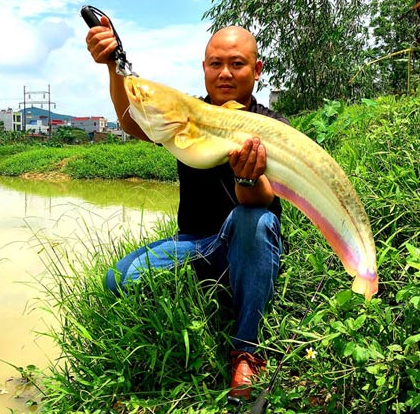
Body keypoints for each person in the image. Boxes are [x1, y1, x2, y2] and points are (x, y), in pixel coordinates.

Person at [86, 20, 289, 400]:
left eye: (237, 63)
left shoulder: (271, 127)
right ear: (204, 68)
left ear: (257, 70)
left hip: (246, 236)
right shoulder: (186, 115)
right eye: (215, 63)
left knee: (255, 221)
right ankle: (202, 297)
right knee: (117, 281)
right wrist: (114, 67)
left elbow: (264, 201)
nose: (225, 73)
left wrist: (245, 178)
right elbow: (133, 122)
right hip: (195, 243)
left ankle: (247, 351)